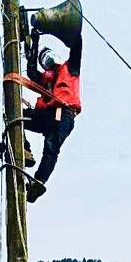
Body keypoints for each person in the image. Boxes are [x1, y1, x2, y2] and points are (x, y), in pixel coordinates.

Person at [24, 28, 82, 202]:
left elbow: (77, 45)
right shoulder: (46, 79)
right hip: (48, 115)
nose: (46, 59)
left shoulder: (70, 68)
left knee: (51, 147)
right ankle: (24, 149)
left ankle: (39, 182)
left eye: (47, 55)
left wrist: (59, 26)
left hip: (64, 114)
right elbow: (31, 72)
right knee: (17, 118)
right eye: (43, 58)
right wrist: (34, 44)